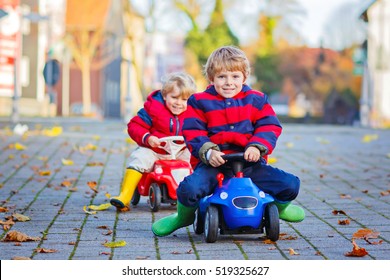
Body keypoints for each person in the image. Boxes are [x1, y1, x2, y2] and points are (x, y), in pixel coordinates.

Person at [152, 46, 305, 237]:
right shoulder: (199, 102)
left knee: (290, 184)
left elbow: (269, 126)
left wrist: (257, 146)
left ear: (244, 77)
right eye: (222, 77)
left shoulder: (256, 100)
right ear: (211, 78)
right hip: (215, 164)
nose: (228, 83)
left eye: (234, 77)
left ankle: (280, 210)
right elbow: (193, 131)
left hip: (250, 163)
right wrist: (208, 151)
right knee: (189, 188)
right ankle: (183, 217)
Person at [110, 72, 197, 209]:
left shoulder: (193, 112)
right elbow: (134, 126)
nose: (179, 103)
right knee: (140, 158)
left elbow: (200, 129)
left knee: (197, 159)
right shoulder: (153, 109)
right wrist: (148, 138)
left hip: (180, 151)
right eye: (174, 97)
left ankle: (197, 192)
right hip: (155, 150)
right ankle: (125, 194)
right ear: (164, 95)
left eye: (184, 100)